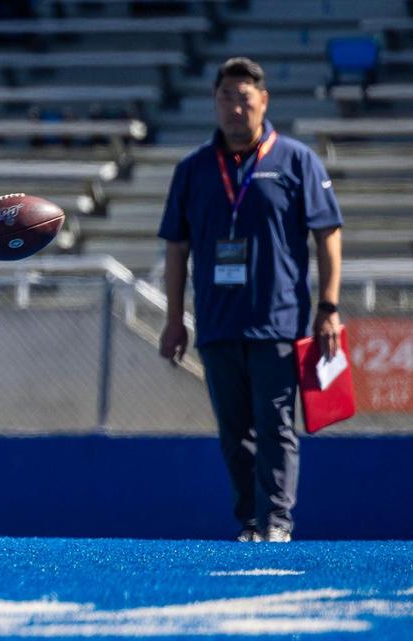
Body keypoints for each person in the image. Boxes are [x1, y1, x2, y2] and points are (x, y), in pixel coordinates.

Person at [157, 57, 343, 544]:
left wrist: (328, 307)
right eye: (225, 97)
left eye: (244, 97)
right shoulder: (193, 169)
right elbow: (176, 249)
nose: (234, 107)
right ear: (213, 102)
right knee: (234, 433)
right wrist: (175, 318)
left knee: (276, 424)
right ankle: (249, 521)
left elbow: (328, 234)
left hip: (277, 322)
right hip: (217, 323)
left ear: (264, 100)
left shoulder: (297, 161)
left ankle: (276, 522)